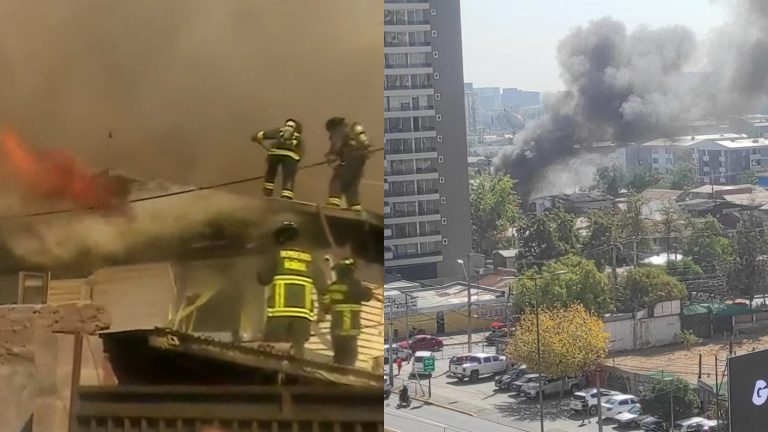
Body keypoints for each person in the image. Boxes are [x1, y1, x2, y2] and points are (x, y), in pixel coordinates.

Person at [259, 221, 326, 358]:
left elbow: (263, 278)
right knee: (297, 354)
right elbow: (323, 288)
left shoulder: (277, 254)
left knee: (273, 354)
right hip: (303, 317)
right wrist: (323, 311)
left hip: (280, 314)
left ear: (281, 238)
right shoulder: (310, 258)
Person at [320, 257, 372, 366]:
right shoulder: (357, 286)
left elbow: (326, 308)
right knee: (350, 356)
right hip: (352, 329)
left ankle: (338, 369)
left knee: (338, 355)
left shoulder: (334, 286)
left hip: (337, 328)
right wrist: (368, 290)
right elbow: (367, 296)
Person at [324, 117, 370, 210]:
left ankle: (334, 201)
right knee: (352, 184)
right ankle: (355, 205)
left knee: (337, 180)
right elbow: (366, 145)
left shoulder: (338, 131)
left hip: (348, 157)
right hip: (359, 159)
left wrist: (331, 156)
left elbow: (336, 145)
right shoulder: (352, 130)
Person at [252, 119, 304, 200]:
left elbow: (266, 134)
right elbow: (301, 150)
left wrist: (257, 136)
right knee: (288, 176)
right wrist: (297, 160)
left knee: (271, 173)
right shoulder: (298, 137)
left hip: (275, 154)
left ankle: (267, 191)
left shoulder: (280, 131)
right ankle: (286, 195)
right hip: (290, 157)